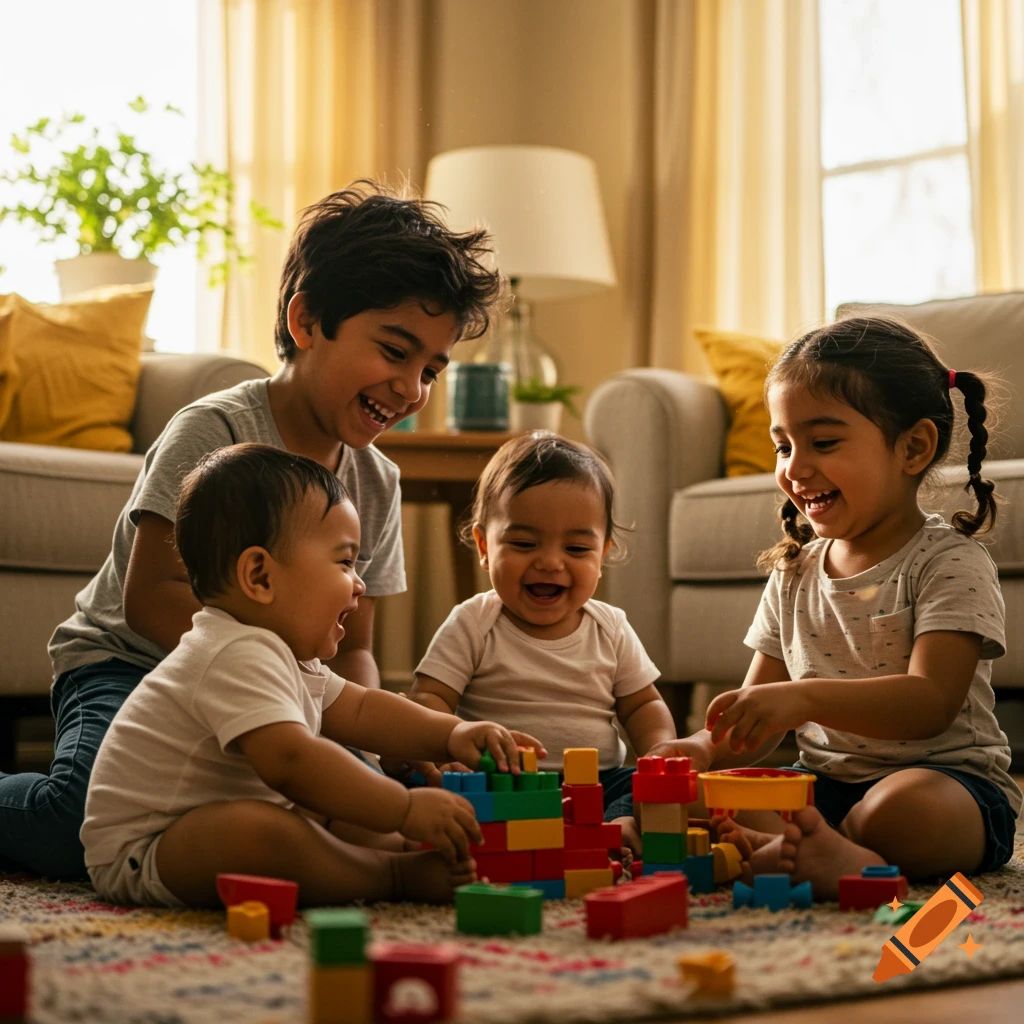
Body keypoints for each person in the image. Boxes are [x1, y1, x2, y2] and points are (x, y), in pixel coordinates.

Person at [0, 180, 503, 880]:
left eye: (431, 370)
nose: (413, 388)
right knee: (77, 821)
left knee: (364, 803)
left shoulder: (375, 481)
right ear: (306, 322)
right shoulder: (215, 430)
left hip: (283, 682)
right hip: (132, 663)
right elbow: (152, 599)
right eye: (395, 351)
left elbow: (354, 652)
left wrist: (369, 747)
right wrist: (267, 680)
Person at [81, 443, 543, 908]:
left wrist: (454, 734)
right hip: (149, 850)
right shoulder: (232, 651)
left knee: (346, 798)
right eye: (344, 562)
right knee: (261, 829)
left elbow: (363, 710)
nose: (359, 583)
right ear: (260, 576)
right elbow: (291, 763)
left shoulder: (283, 653)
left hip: (224, 818)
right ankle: (389, 875)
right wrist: (402, 808)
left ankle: (396, 855)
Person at [672, 317, 1021, 899]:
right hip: (824, 785)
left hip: (949, 786)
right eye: (783, 445)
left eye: (823, 443)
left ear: (912, 448)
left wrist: (804, 698)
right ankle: (815, 849)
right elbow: (751, 726)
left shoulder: (948, 562)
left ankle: (831, 853)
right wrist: (700, 750)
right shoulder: (793, 572)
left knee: (901, 814)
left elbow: (929, 704)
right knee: (710, 797)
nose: (795, 467)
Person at [409, 431, 687, 854]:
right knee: (412, 776)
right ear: (484, 546)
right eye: (523, 544)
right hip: (499, 780)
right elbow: (429, 697)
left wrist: (658, 753)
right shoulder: (474, 622)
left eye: (576, 548)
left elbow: (642, 705)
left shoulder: (609, 627)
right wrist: (450, 739)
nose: (551, 562)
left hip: (596, 782)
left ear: (603, 552)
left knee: (637, 787)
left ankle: (617, 825)